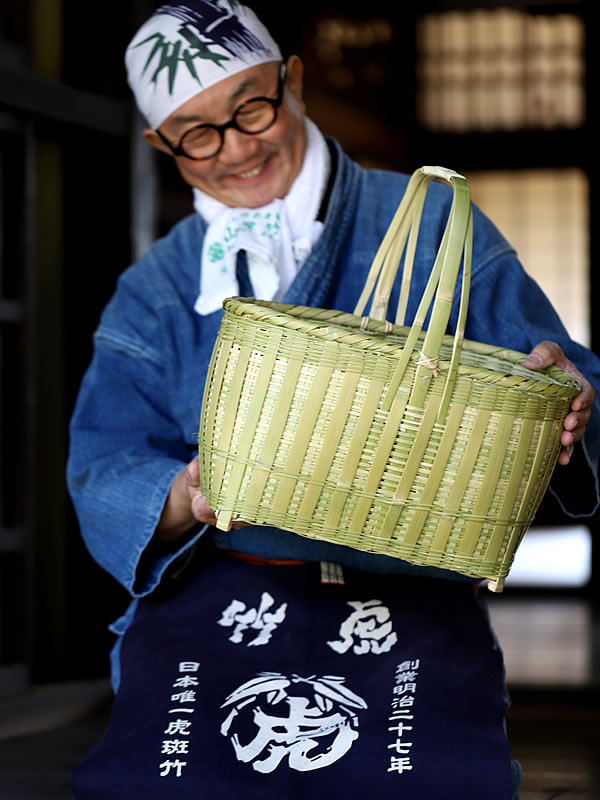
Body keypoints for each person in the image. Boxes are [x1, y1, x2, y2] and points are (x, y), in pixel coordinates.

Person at [67, 2, 599, 798]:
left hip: (409, 589)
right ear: (162, 146)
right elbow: (103, 460)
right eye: (198, 133)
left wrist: (569, 393)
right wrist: (182, 494)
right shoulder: (157, 289)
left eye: (253, 106)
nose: (238, 148)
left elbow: (557, 371)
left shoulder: (427, 225)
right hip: (224, 589)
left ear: (295, 81)